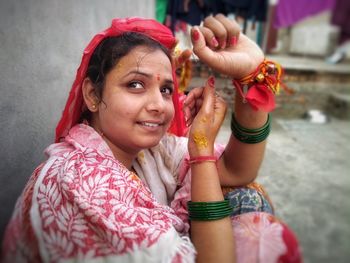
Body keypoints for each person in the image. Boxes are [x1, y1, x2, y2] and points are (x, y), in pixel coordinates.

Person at [1, 15, 302, 262]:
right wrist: (200, 151)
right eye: (135, 84)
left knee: (245, 200)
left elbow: (238, 170)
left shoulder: (147, 152)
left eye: (166, 89)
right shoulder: (82, 181)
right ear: (93, 95)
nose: (159, 104)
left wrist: (252, 74)